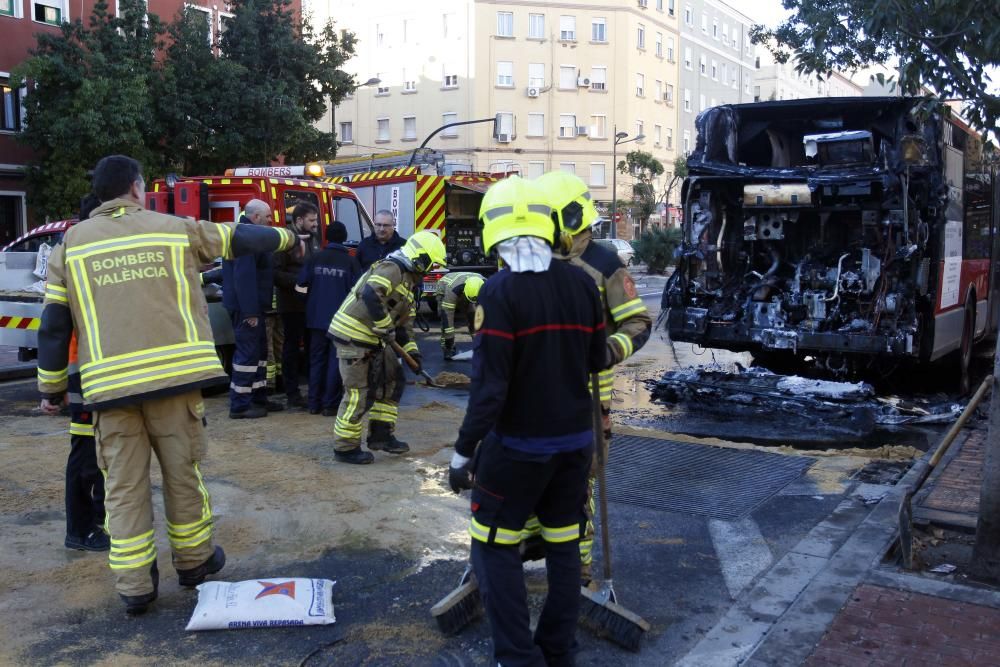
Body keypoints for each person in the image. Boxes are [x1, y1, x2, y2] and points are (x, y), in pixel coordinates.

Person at [36, 155, 301, 614]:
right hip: (175, 385)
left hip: (111, 393)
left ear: (100, 195)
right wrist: (289, 234)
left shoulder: (69, 246)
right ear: (138, 188)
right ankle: (195, 564)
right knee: (183, 475)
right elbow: (239, 237)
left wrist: (51, 389)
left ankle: (136, 586)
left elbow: (54, 327)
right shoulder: (173, 228)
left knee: (122, 486)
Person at [447, 176, 608, 666]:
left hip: (516, 449)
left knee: (494, 548)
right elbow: (598, 359)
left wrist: (461, 454)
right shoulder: (582, 281)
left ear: (491, 231)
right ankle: (558, 652)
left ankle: (517, 659)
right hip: (575, 445)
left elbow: (489, 389)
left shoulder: (498, 291)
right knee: (563, 548)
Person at [535, 170, 652, 584]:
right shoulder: (539, 256)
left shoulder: (604, 263)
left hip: (586, 399)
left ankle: (576, 572)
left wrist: (604, 352)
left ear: (566, 215)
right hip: (535, 397)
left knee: (576, 492)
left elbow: (637, 323)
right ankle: (533, 556)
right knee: (531, 482)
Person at [327, 230, 446, 464]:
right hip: (353, 337)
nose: (431, 271)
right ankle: (345, 447)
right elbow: (371, 293)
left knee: (393, 380)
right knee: (358, 393)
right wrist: (385, 326)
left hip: (375, 339)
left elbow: (404, 327)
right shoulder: (392, 268)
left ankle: (381, 435)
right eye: (431, 265)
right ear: (420, 259)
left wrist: (412, 351)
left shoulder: (408, 281)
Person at [63, 193, 108, 552]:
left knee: (100, 453)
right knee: (86, 455)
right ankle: (81, 529)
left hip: (102, 367)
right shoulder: (78, 252)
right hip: (85, 368)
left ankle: (96, 522)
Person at [222, 199, 286, 419]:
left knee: (258, 353)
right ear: (256, 217)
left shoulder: (248, 234)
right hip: (246, 309)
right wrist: (250, 313)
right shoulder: (245, 238)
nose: (271, 220)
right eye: (268, 216)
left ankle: (258, 398)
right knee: (247, 355)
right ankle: (239, 405)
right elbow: (244, 278)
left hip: (254, 307)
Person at [296, 220, 362, 415]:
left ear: (327, 237)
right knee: (335, 362)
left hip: (315, 319)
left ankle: (313, 403)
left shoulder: (315, 258)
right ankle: (329, 404)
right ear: (344, 238)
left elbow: (300, 286)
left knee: (316, 361)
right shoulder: (351, 262)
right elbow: (357, 293)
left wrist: (310, 302)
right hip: (340, 323)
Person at [273, 201, 321, 408]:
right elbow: (275, 274)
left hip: (310, 304)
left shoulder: (313, 239)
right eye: (312, 220)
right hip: (291, 305)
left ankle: (313, 391)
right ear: (299, 220)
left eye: (316, 220)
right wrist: (300, 280)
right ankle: (292, 393)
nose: (315, 224)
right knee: (291, 349)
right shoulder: (285, 240)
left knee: (312, 348)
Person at [434, 271, 484, 360]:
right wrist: (449, 341)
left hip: (467, 290)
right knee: (445, 321)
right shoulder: (452, 290)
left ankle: (478, 344)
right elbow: (447, 316)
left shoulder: (485, 284)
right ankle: (448, 348)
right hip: (444, 288)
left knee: (472, 315)